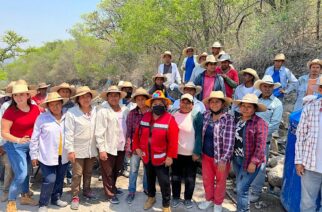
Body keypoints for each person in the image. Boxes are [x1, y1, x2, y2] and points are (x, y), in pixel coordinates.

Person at [132, 90, 179, 212]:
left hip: (162, 158)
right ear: (151, 105)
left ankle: (166, 204)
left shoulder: (169, 119)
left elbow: (174, 140)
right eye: (154, 104)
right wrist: (136, 147)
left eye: (160, 103)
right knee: (150, 179)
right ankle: (151, 197)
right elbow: (137, 134)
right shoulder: (146, 117)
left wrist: (170, 156)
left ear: (165, 105)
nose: (157, 106)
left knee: (164, 183)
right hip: (147, 157)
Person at [1, 82, 40, 211]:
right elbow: (4, 133)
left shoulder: (35, 109)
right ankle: (11, 202)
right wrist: (18, 140)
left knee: (27, 172)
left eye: (22, 94)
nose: (19, 97)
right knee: (21, 174)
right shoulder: (10, 112)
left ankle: (24, 196)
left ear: (28, 95)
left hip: (31, 145)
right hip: (15, 146)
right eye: (15, 95)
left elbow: (39, 126)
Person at [29, 92, 69, 212]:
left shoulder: (68, 116)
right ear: (48, 106)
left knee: (60, 178)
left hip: (64, 154)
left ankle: (56, 198)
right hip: (47, 155)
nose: (55, 107)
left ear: (62, 104)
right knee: (50, 179)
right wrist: (34, 155)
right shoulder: (42, 118)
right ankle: (43, 203)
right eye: (52, 105)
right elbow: (34, 137)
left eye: (58, 104)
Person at [198, 91, 235, 212]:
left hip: (221, 158)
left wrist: (224, 160)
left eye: (217, 101)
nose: (214, 104)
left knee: (220, 181)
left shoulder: (228, 119)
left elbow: (230, 142)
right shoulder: (206, 116)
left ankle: (218, 203)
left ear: (223, 104)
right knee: (207, 179)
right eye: (212, 101)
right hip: (206, 155)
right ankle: (209, 199)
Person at [249, 76, 283, 202]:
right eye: (265, 86)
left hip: (263, 141)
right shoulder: (255, 100)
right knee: (247, 163)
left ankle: (256, 192)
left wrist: (259, 135)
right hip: (249, 139)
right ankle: (246, 188)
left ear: (273, 88)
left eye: (269, 86)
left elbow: (274, 124)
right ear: (261, 87)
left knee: (260, 167)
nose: (267, 89)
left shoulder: (277, 104)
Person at [232, 94, 268, 212]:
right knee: (242, 188)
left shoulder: (259, 123)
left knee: (241, 189)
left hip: (250, 161)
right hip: (237, 158)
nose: (245, 109)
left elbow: (261, 145)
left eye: (249, 107)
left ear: (255, 109)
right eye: (243, 106)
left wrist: (254, 162)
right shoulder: (238, 120)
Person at [64, 86, 98, 210]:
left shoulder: (95, 110)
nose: (85, 99)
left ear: (91, 97)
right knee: (77, 174)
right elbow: (68, 133)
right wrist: (70, 150)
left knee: (89, 172)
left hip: (91, 148)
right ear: (78, 99)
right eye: (82, 97)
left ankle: (87, 190)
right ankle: (75, 196)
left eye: (87, 96)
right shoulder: (72, 112)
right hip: (77, 149)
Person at [95, 86, 129, 204]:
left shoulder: (124, 109)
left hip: (121, 145)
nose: (114, 98)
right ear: (107, 97)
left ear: (119, 97)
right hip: (108, 146)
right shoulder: (103, 111)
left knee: (117, 169)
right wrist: (102, 149)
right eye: (111, 95)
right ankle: (109, 194)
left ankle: (113, 188)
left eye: (116, 95)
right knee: (107, 171)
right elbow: (99, 132)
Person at [171, 94, 203, 209]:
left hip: (191, 155)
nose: (185, 104)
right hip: (176, 153)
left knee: (190, 178)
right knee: (175, 177)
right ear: (179, 103)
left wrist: (197, 152)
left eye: (188, 103)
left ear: (192, 105)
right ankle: (175, 197)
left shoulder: (196, 116)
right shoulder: (173, 115)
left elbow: (199, 135)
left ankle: (188, 198)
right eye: (183, 102)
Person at [295, 76, 322, 212]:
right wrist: (299, 161)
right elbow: (300, 136)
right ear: (321, 90)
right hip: (310, 165)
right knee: (307, 204)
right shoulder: (310, 108)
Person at [125, 87, 150, 204]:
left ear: (146, 100)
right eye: (138, 99)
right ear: (136, 101)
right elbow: (129, 132)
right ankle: (131, 191)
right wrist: (129, 148)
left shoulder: (151, 113)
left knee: (147, 169)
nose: (141, 101)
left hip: (148, 148)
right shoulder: (132, 114)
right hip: (136, 148)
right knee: (133, 170)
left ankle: (146, 188)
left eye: (143, 99)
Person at [50, 82, 76, 186]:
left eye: (67, 92)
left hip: (69, 134)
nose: (65, 93)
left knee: (69, 157)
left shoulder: (73, 106)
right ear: (58, 92)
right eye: (63, 91)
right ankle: (58, 177)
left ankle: (69, 176)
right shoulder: (52, 104)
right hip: (56, 135)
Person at [0, 81, 16, 202]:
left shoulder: (30, 106)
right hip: (7, 143)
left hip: (24, 143)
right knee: (9, 168)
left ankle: (21, 191)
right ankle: (6, 191)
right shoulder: (6, 106)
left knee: (23, 169)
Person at [118, 81, 136, 177]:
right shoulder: (117, 101)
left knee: (128, 148)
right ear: (121, 90)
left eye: (129, 89)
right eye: (125, 89)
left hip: (131, 130)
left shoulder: (134, 103)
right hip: (119, 129)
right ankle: (118, 168)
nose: (127, 91)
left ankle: (126, 167)